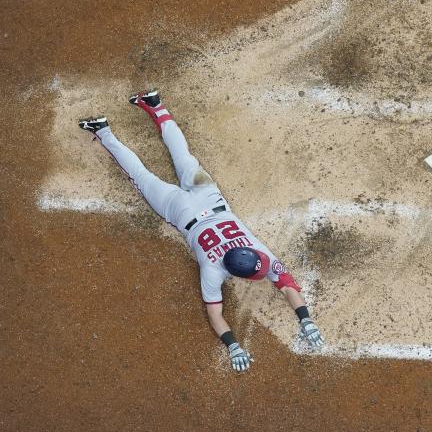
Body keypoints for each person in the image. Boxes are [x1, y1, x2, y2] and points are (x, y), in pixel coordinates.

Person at [79, 89, 323, 372]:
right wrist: (235, 344)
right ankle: (106, 130)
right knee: (143, 175)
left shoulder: (252, 250)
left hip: (207, 195)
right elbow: (218, 314)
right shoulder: (213, 270)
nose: (263, 271)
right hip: (180, 208)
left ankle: (154, 106)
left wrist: (304, 319)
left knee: (180, 155)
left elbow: (280, 286)